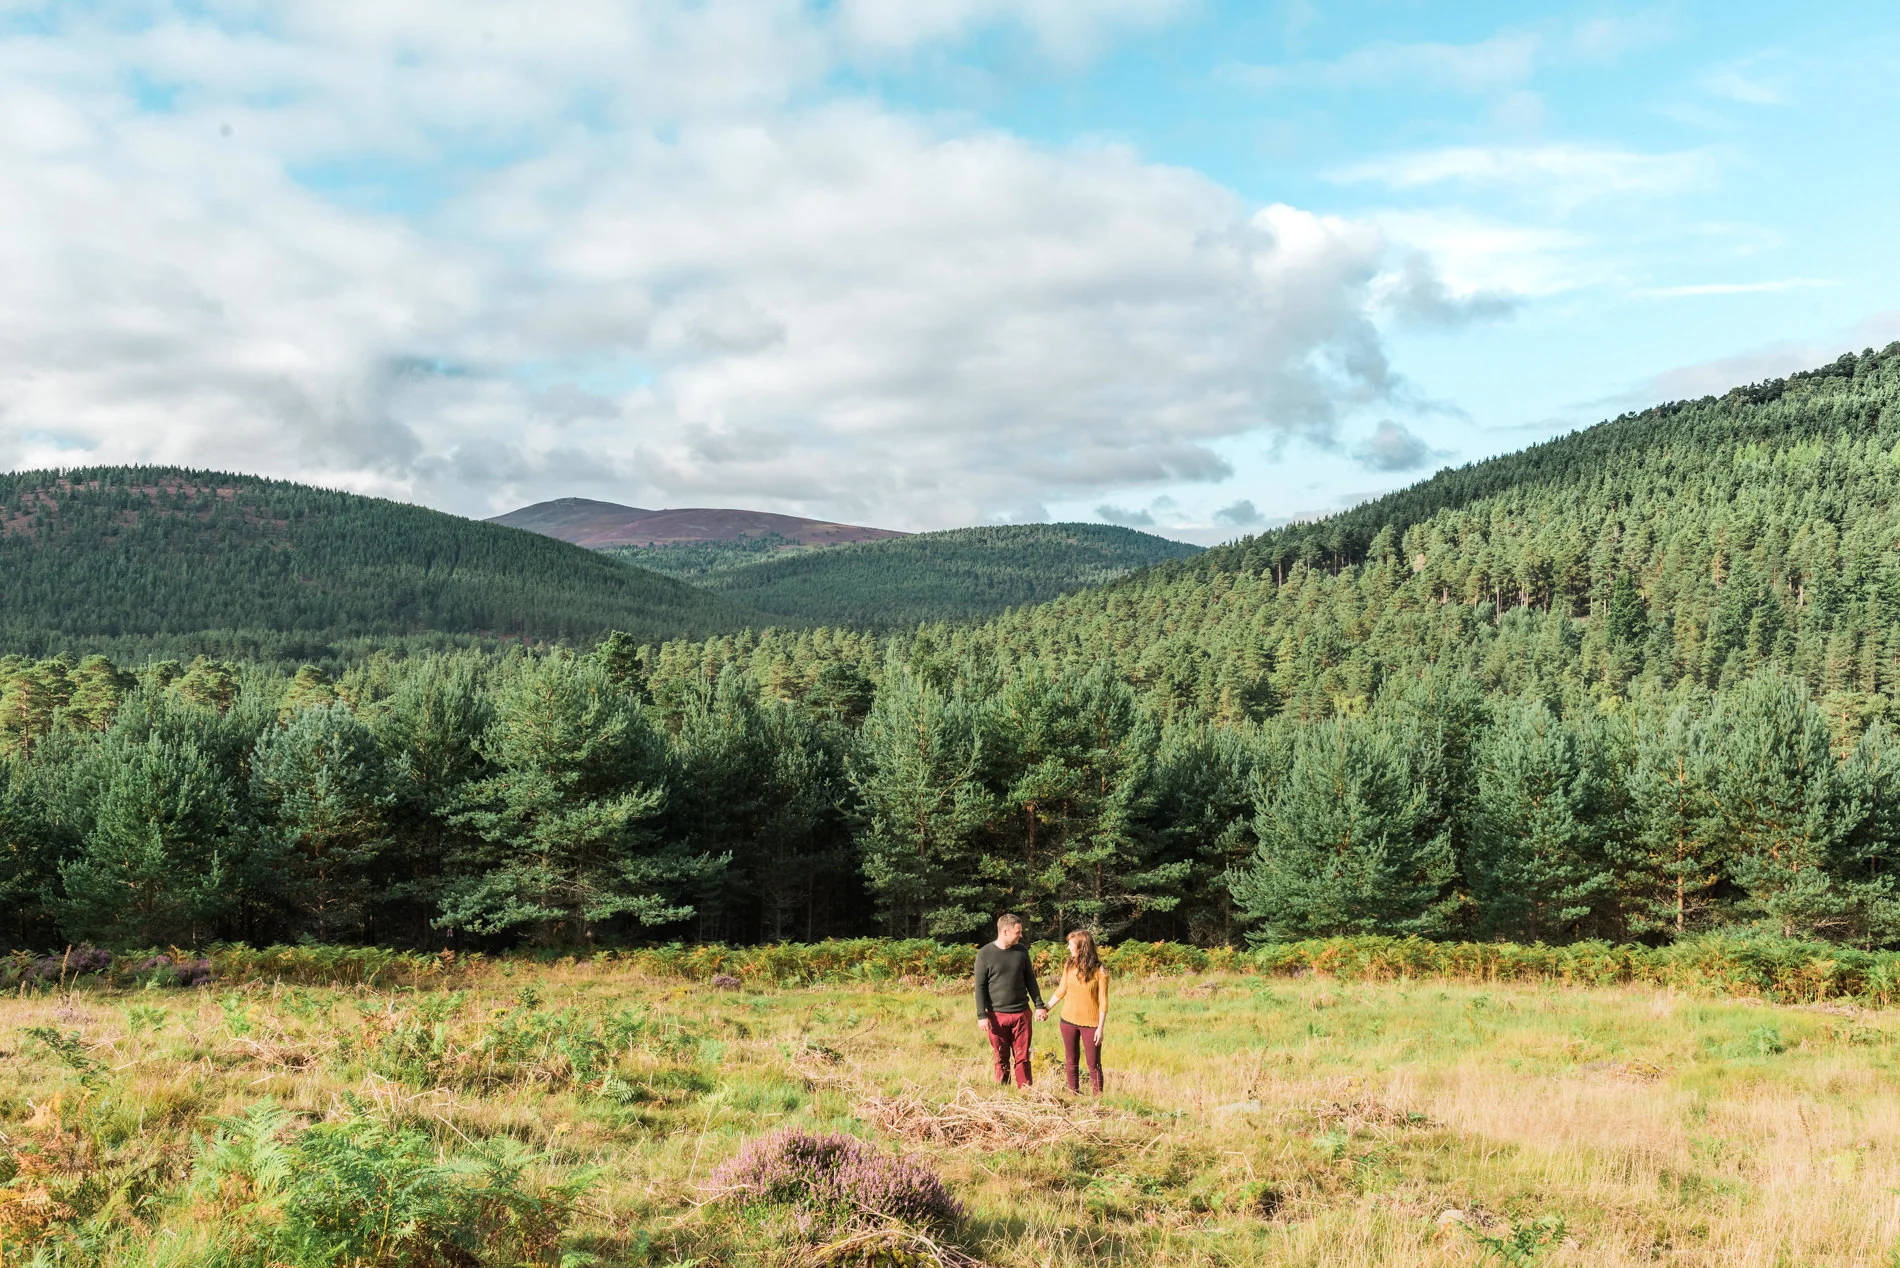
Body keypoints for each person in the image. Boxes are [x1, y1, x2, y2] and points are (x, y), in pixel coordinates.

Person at [974, 913, 1043, 1087]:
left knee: (1023, 1056)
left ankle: (1025, 1091)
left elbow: (1031, 980)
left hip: (1021, 1014)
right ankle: (1002, 1093)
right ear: (1005, 931)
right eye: (1018, 932)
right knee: (1000, 1057)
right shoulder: (984, 954)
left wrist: (1039, 1005)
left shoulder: (1022, 951)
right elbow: (979, 987)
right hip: (996, 1016)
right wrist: (981, 1016)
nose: (1021, 935)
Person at [1037, 929, 1108, 1095]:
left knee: (1094, 1064)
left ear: (1082, 947)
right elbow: (1061, 990)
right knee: (1071, 1061)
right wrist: (1045, 1009)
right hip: (1067, 1021)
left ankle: (1098, 1100)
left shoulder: (1100, 970)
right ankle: (1073, 1093)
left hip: (1091, 1024)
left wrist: (1100, 1028)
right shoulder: (1069, 965)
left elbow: (1103, 1001)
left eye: (1071, 944)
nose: (1068, 948)